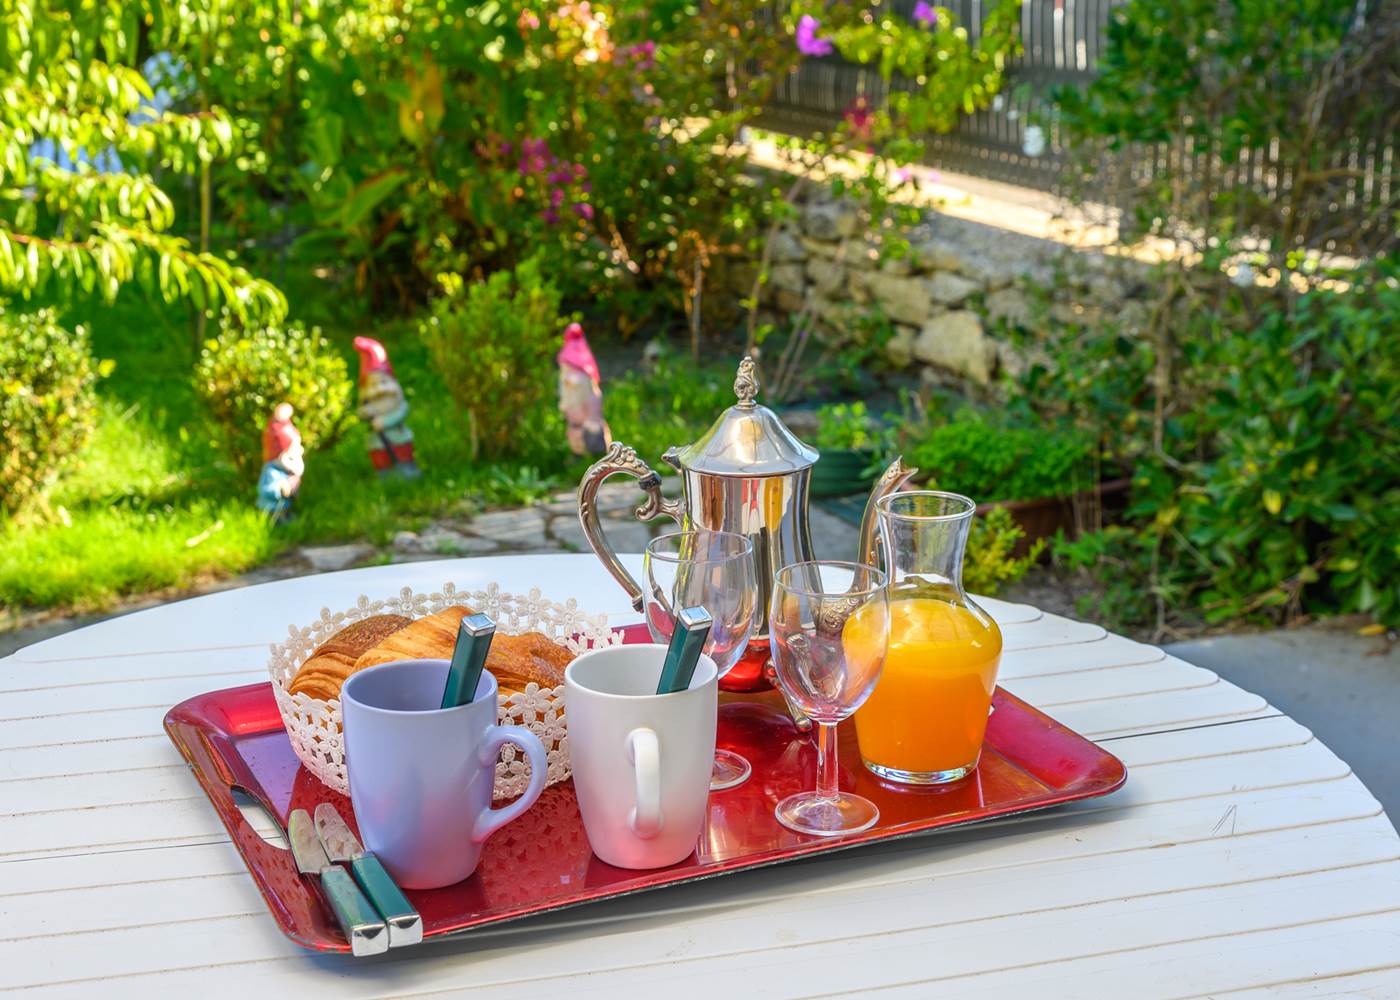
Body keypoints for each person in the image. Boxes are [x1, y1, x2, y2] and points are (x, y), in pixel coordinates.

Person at [352, 336, 421, 478]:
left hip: (399, 437)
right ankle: (386, 476)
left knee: (402, 454)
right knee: (381, 458)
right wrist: (366, 412)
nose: (380, 389)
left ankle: (407, 470)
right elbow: (360, 412)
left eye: (384, 382)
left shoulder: (396, 401)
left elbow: (402, 410)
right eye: (373, 385)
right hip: (377, 442)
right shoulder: (367, 401)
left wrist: (385, 422)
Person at [557, 322, 611, 456]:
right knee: (581, 431)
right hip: (579, 403)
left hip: (580, 404)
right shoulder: (581, 352)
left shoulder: (570, 354)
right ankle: (585, 457)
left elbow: (573, 380)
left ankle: (593, 455)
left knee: (586, 431)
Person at [256, 403, 304, 522]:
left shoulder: (287, 471)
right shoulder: (272, 471)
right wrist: (279, 489)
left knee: (286, 516)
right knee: (275, 517)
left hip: (283, 507)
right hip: (272, 508)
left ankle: (287, 519)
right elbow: (265, 489)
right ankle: (275, 522)